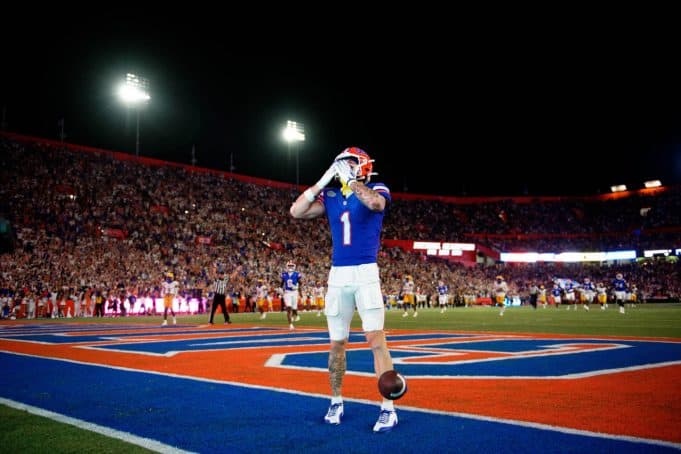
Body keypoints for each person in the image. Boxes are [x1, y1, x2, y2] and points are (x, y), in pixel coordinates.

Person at [290, 146, 399, 433]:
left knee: (376, 338)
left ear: (362, 165)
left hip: (366, 272)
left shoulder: (376, 186)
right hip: (338, 274)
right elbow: (296, 211)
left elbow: (376, 204)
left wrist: (351, 182)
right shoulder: (331, 195)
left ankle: (388, 407)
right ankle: (336, 400)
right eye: (342, 164)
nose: (346, 167)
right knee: (337, 343)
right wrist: (324, 180)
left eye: (351, 163)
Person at [281, 260, 302, 330]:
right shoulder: (284, 274)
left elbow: (300, 283)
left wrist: (297, 287)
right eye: (289, 266)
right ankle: (290, 324)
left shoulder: (297, 274)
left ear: (294, 266)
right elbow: (281, 284)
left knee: (294, 309)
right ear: (287, 266)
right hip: (287, 292)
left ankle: (295, 314)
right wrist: (280, 289)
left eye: (291, 266)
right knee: (289, 308)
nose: (290, 267)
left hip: (295, 292)